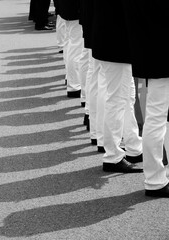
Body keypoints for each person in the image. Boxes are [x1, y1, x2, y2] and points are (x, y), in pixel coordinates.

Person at [122, 0, 169, 196]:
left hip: (151, 52)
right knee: (157, 117)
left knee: (157, 117)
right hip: (161, 53)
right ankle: (155, 179)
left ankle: (156, 176)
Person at [91, 0, 143, 173]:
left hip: (112, 38)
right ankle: (113, 156)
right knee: (118, 100)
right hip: (116, 41)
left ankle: (133, 146)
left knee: (127, 97)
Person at [55, 0, 83, 98]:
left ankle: (71, 80)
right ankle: (74, 84)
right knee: (76, 46)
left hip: (68, 7)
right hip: (75, 9)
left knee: (70, 42)